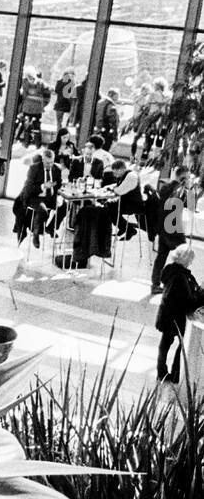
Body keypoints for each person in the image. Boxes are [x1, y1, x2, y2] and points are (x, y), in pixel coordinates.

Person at [155, 245, 204, 383]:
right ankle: (175, 372)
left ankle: (161, 371)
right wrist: (201, 294)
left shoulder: (170, 271)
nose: (191, 262)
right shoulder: (181, 277)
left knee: (165, 344)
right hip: (176, 318)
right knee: (181, 345)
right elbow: (188, 301)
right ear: (186, 259)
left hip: (166, 315)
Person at [151, 164, 192, 293]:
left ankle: (155, 284)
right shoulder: (182, 191)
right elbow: (191, 206)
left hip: (162, 227)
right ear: (183, 178)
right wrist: (190, 188)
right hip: (174, 230)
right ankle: (179, 286)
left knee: (161, 257)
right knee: (185, 256)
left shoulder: (165, 187)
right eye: (188, 177)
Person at [13, 154, 48, 247]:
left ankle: (21, 229)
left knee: (21, 204)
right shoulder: (33, 173)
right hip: (30, 197)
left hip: (38, 198)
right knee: (21, 201)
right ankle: (24, 229)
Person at [107, 157, 142, 241]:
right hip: (127, 201)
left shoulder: (131, 176)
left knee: (110, 209)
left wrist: (111, 189)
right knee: (108, 206)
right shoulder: (124, 175)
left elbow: (120, 191)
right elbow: (118, 186)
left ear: (122, 169)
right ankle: (123, 228)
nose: (115, 175)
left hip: (134, 204)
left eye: (116, 172)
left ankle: (130, 229)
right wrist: (110, 188)